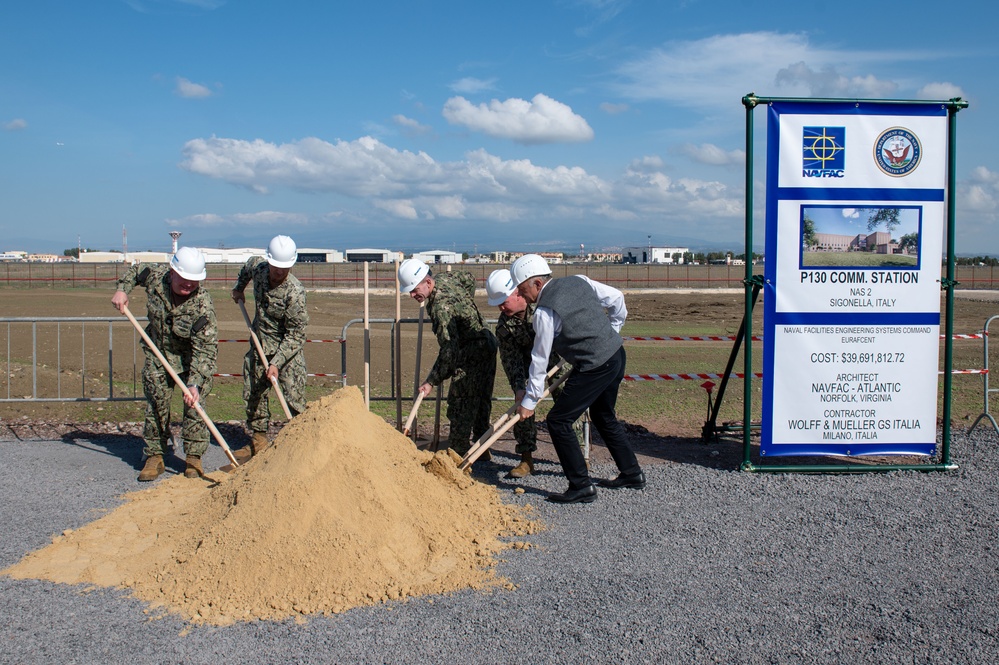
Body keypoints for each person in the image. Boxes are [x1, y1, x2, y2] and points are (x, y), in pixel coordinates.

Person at [511, 254, 644, 504]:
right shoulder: (579, 280)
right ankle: (632, 473)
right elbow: (617, 299)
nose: (522, 296)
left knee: (559, 421)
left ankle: (581, 485)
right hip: (616, 354)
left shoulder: (544, 311)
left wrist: (529, 401)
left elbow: (540, 358)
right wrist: (610, 332)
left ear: (537, 284)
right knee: (604, 416)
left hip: (595, 365)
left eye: (523, 289)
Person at [111, 247, 218, 481]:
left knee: (194, 408)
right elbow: (135, 271)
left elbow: (205, 349)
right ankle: (154, 456)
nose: (189, 285)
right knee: (156, 405)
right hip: (158, 354)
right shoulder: (156, 277)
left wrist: (194, 384)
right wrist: (122, 290)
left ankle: (193, 458)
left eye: (194, 281)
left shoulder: (202, 306)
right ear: (172, 272)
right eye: (185, 279)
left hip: (191, 361)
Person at [486, 268, 580, 478]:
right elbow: (511, 360)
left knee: (568, 402)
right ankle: (526, 458)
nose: (501, 307)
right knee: (523, 407)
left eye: (504, 301)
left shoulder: (545, 306)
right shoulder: (504, 325)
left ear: (518, 293)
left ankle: (578, 456)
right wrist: (519, 387)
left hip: (557, 358)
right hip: (529, 366)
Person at [398, 258, 497, 457]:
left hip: (472, 352)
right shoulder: (446, 278)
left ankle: (457, 454)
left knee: (460, 403)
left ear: (427, 282)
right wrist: (465, 307)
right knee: (481, 400)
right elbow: (469, 278)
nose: (411, 295)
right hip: (487, 341)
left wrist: (431, 381)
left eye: (414, 289)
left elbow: (449, 351)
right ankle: (482, 447)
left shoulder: (440, 308)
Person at [230, 235, 309, 462]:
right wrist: (239, 288)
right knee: (254, 393)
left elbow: (296, 334)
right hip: (260, 342)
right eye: (276, 266)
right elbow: (246, 268)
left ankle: (300, 446)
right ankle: (258, 442)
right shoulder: (259, 268)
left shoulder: (295, 292)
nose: (279, 272)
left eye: (284, 268)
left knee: (294, 398)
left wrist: (276, 362)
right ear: (269, 261)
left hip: (286, 350)